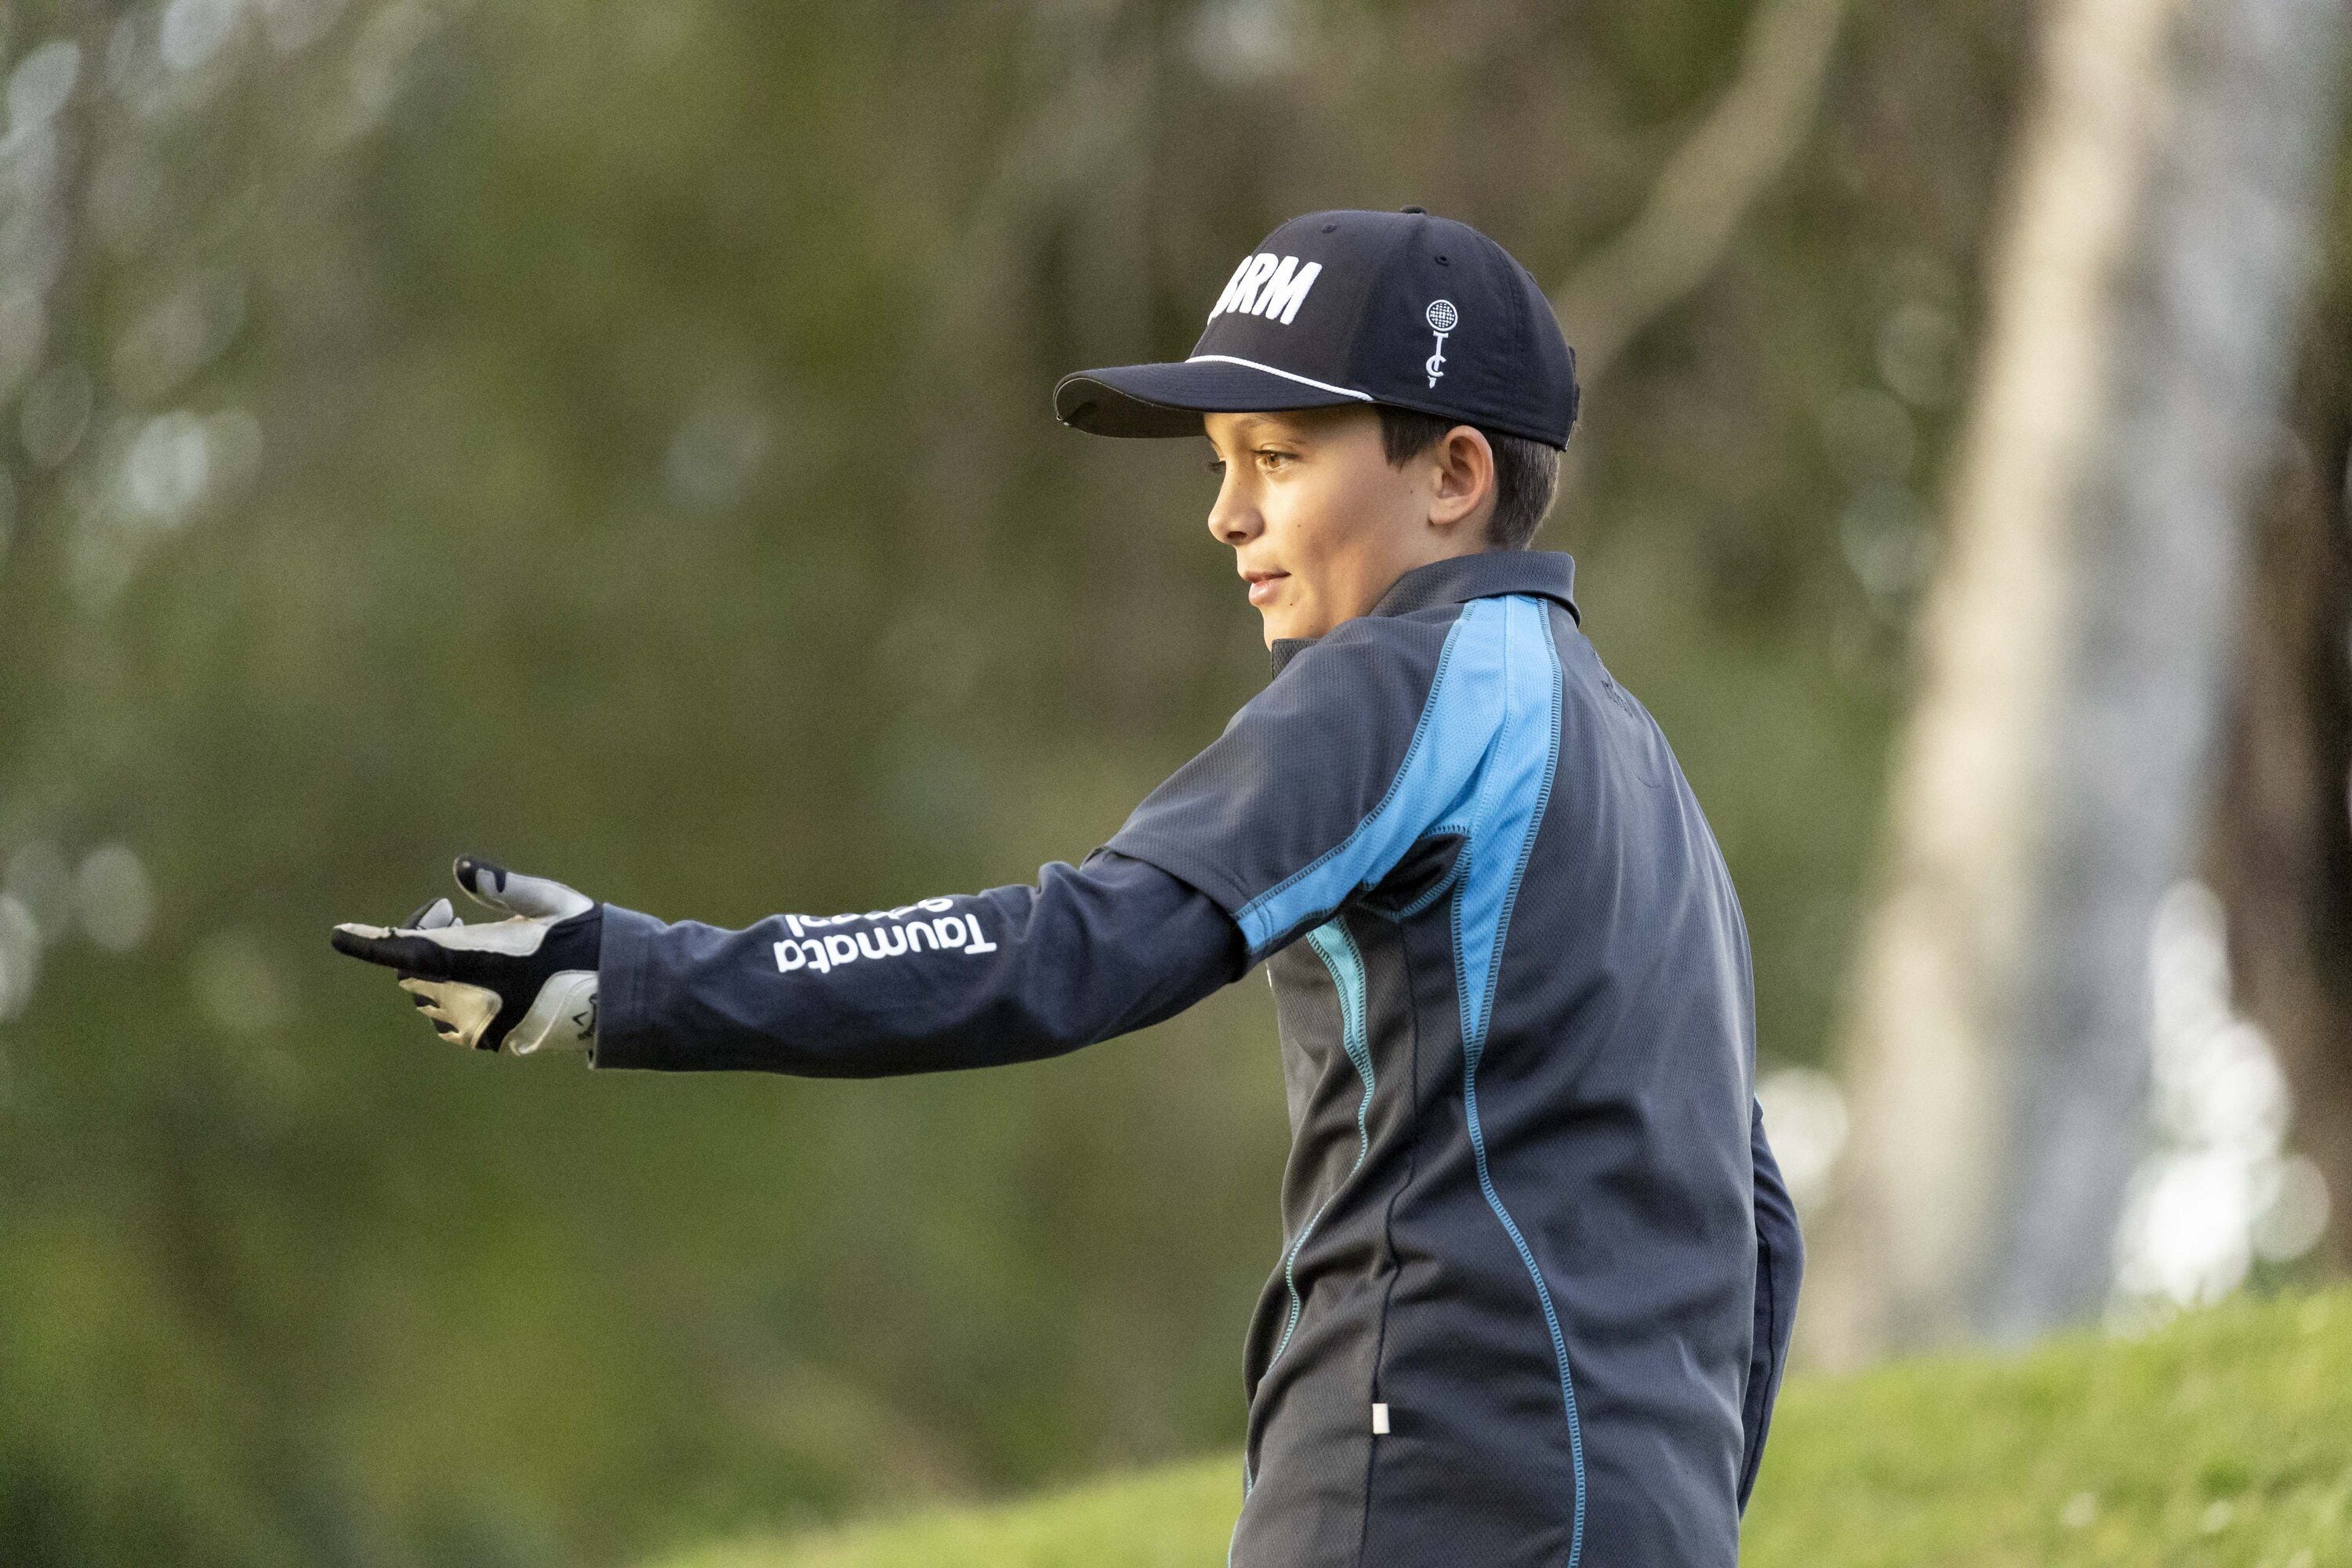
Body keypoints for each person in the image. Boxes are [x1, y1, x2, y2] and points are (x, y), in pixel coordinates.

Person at [332, 207, 1804, 1568]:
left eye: (1276, 459)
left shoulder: (1400, 681)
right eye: (1217, 462)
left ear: (1454, 475)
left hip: (1417, 1495)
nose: (1225, 515)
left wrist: (640, 976)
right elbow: (1758, 1220)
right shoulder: (1634, 759)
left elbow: (1076, 946)